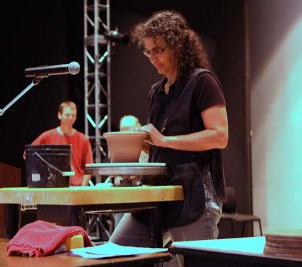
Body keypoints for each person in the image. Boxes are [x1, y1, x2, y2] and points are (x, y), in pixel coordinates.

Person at [109, 10, 229, 266]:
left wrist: (163, 140)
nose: (153, 58)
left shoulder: (202, 82)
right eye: (148, 51)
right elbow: (159, 143)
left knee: (196, 262)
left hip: (195, 194)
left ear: (177, 47)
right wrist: (143, 143)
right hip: (160, 191)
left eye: (159, 50)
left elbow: (219, 136)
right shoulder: (157, 91)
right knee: (114, 253)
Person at [25, 101, 94, 186]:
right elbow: (28, 154)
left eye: (73, 115)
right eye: (67, 115)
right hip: (52, 187)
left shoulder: (83, 139)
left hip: (76, 187)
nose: (70, 118)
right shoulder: (47, 136)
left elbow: (89, 166)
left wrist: (83, 188)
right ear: (59, 115)